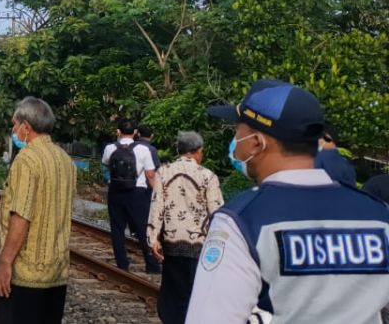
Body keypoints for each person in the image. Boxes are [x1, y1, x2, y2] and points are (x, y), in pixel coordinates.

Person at [186, 79, 389, 324]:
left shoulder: (242, 220)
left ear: (257, 142)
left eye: (238, 130)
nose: (235, 139)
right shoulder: (378, 215)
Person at [0, 97, 76, 324]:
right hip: (57, 273)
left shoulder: (26, 160)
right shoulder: (65, 160)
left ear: (26, 127)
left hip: (26, 274)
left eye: (15, 124)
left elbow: (21, 216)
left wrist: (5, 262)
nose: (13, 130)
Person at [147, 131, 223, 324]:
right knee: (195, 292)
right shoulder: (208, 176)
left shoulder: (163, 172)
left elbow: (157, 205)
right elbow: (216, 212)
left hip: (171, 241)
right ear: (198, 151)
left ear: (179, 150)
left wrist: (153, 237)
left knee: (173, 291)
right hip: (199, 243)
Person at [102, 118, 161, 273]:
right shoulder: (143, 149)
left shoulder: (110, 148)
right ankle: (152, 265)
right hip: (138, 193)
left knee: (117, 228)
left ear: (118, 132)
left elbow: (107, 163)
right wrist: (157, 194)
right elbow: (150, 175)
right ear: (135, 132)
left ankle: (122, 265)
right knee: (143, 229)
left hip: (115, 192)